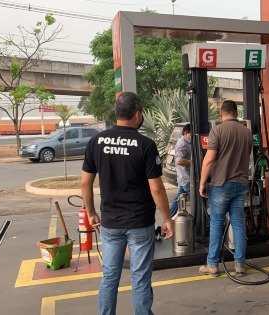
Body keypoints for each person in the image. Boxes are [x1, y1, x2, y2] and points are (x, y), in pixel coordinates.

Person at [80, 92, 174, 315]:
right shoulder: (145, 145)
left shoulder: (97, 141)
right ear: (138, 114)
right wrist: (167, 219)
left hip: (111, 222)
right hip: (140, 223)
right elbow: (157, 188)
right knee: (140, 277)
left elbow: (85, 183)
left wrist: (90, 212)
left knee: (110, 276)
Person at [198, 100, 252, 276]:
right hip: (241, 184)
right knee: (238, 224)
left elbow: (209, 159)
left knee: (216, 224)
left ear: (221, 113)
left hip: (221, 184)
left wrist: (202, 183)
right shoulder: (246, 132)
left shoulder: (218, 130)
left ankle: (213, 265)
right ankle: (240, 265)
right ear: (236, 113)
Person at [169, 124, 192, 218]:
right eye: (191, 133)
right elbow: (179, 161)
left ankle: (169, 218)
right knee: (198, 200)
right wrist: (193, 162)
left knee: (178, 199)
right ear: (186, 133)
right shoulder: (182, 144)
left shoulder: (188, 142)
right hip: (186, 178)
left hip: (184, 178)